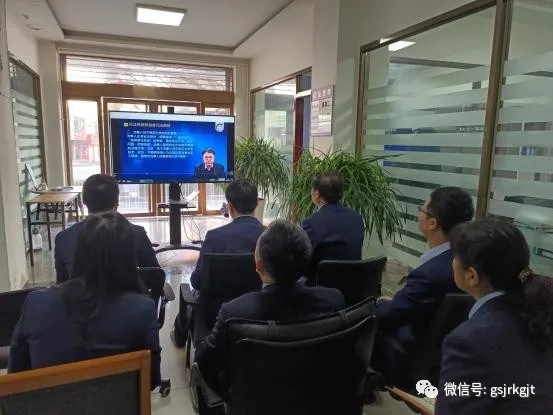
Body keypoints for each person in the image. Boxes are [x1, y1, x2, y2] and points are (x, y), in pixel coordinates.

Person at [9, 212, 162, 389]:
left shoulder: (37, 304)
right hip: (116, 402)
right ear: (129, 259)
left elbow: (16, 375)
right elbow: (151, 381)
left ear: (79, 253)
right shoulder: (142, 310)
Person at [195, 219, 345, 395]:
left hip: (252, 400)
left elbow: (205, 362)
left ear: (259, 265)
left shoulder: (234, 312)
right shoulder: (333, 300)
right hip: (315, 397)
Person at [436, 218, 553, 414]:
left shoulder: (468, 341)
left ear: (472, 276)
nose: (452, 262)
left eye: (455, 257)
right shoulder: (541, 310)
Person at [373, 186, 474, 389]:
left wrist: (379, 305)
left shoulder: (430, 274)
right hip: (449, 355)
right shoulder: (469, 262)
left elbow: (391, 315)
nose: (418, 213)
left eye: (421, 209)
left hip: (411, 355)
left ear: (433, 223)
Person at [172, 180, 265, 346]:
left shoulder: (215, 236)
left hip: (214, 314)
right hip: (258, 312)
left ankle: (180, 337)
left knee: (192, 296)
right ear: (257, 203)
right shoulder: (269, 236)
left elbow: (197, 281)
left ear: (230, 206)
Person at [55, 174, 159, 284]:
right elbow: (155, 275)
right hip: (127, 294)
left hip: (79, 295)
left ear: (84, 201)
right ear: (117, 201)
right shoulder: (136, 233)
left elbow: (62, 285)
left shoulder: (63, 238)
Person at [301, 172, 364, 267]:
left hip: (320, 276)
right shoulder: (356, 218)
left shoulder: (311, 223)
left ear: (317, 194)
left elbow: (302, 257)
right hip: (354, 276)